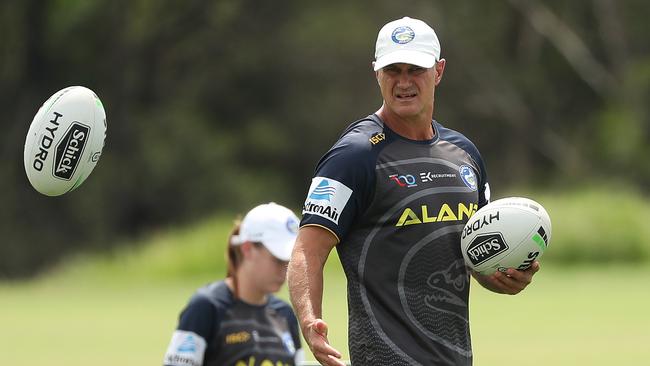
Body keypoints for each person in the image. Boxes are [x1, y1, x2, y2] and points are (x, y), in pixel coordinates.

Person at [287, 16, 540, 366]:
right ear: (377, 73)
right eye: (393, 70)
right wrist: (309, 320)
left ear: (438, 71)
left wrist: (504, 275)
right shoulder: (354, 155)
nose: (403, 82)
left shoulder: (465, 154)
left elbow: (475, 257)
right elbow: (307, 249)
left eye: (415, 69)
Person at [163, 202, 305, 366]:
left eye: (290, 261)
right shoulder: (207, 307)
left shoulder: (285, 314)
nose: (285, 270)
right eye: (278, 260)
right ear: (247, 249)